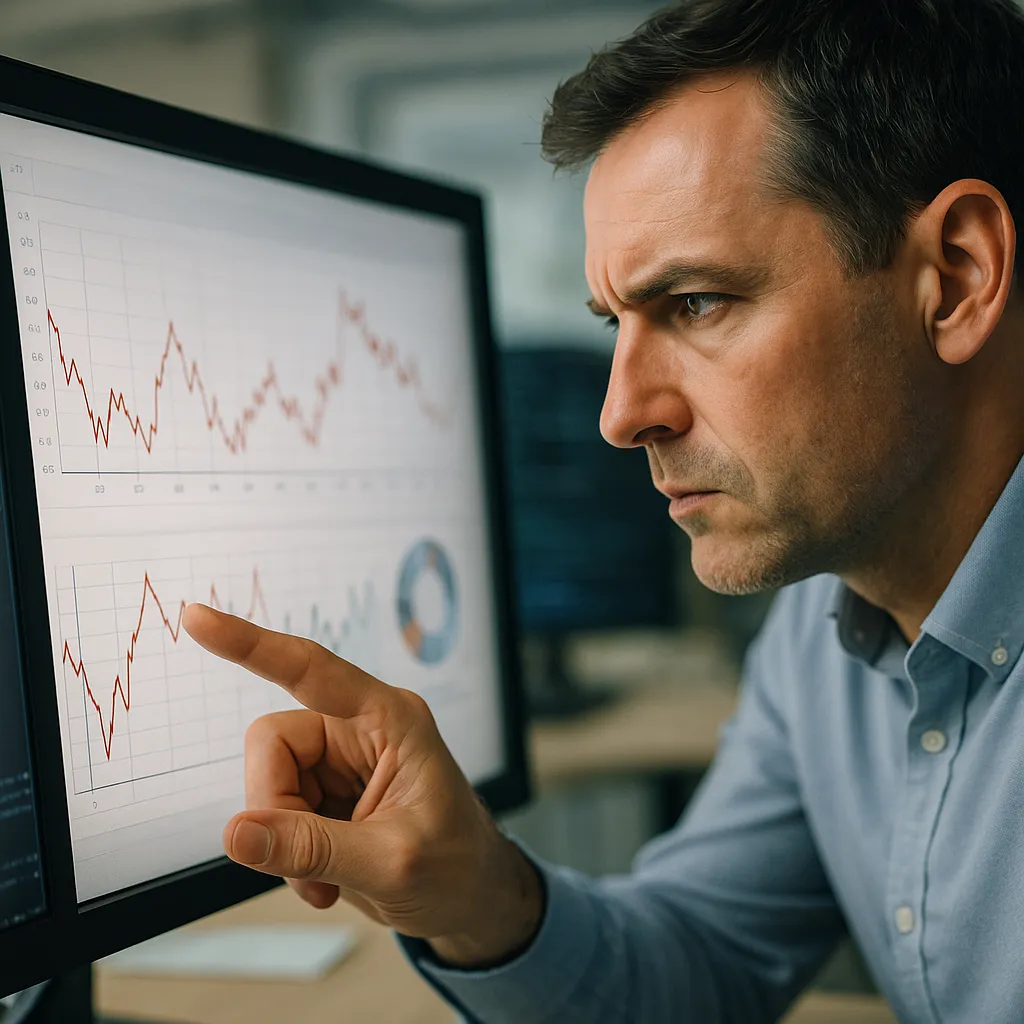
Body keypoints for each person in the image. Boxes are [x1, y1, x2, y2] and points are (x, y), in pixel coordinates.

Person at [181, 0, 1024, 1019]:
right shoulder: (824, 622)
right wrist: (477, 892)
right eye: (615, 322)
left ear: (957, 277)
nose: (620, 415)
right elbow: (704, 956)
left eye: (697, 302)